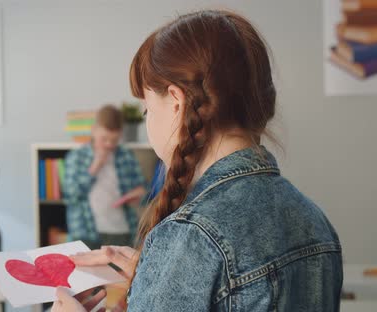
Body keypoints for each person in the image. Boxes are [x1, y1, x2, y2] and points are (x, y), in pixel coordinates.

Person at [52, 9, 342, 312]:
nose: (148, 119)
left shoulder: (190, 236)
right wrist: (159, 276)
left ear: (177, 103)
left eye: (146, 109)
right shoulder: (315, 221)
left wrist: (172, 268)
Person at [62, 105, 146, 249]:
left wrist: (139, 194)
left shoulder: (126, 156)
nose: (109, 144)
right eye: (104, 139)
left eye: (114, 140)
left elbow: (143, 190)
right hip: (85, 232)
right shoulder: (76, 157)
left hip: (121, 231)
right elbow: (71, 195)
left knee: (119, 271)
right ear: (94, 131)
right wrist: (94, 168)